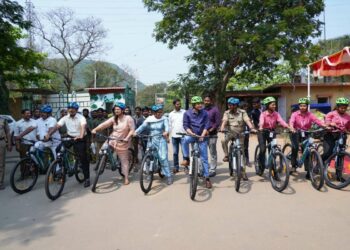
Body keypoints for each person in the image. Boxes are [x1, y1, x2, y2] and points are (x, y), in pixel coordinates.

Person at [47, 102, 91, 187]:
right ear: (68, 109)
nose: (71, 110)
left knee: (83, 157)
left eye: (73, 108)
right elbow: (57, 126)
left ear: (76, 110)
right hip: (70, 137)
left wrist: (81, 135)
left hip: (80, 138)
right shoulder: (64, 118)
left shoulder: (81, 117)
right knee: (58, 149)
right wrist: (49, 134)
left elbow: (83, 126)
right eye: (69, 108)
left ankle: (87, 178)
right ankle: (62, 166)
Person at [92, 102, 135, 185]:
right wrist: (95, 129)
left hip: (123, 141)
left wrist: (127, 138)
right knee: (102, 151)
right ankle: (103, 163)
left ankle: (126, 177)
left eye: (118, 109)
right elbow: (104, 124)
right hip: (112, 139)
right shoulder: (114, 118)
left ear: (122, 110)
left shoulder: (128, 118)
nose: (116, 111)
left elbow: (132, 130)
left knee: (124, 161)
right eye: (115, 109)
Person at [134, 104, 173, 185]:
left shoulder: (164, 119)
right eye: (158, 112)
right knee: (149, 158)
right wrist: (136, 132)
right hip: (151, 139)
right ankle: (149, 173)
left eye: (161, 112)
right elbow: (142, 127)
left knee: (163, 158)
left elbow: (167, 127)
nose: (159, 114)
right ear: (154, 113)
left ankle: (168, 176)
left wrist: (166, 132)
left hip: (161, 139)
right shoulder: (149, 119)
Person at [220, 97, 256, 180]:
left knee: (242, 153)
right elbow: (224, 121)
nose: (229, 106)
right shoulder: (227, 112)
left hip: (240, 134)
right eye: (229, 105)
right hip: (230, 133)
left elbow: (247, 120)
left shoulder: (243, 112)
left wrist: (252, 128)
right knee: (223, 141)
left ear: (236, 105)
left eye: (231, 105)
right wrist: (222, 127)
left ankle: (243, 172)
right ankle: (226, 155)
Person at [289, 98, 326, 177]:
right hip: (295, 132)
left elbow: (317, 121)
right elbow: (291, 122)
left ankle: (308, 171)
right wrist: (292, 128)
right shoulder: (295, 114)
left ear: (307, 106)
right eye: (301, 106)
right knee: (295, 148)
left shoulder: (310, 115)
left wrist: (325, 125)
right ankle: (293, 166)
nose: (302, 107)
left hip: (306, 133)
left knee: (307, 151)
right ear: (299, 106)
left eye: (304, 106)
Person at [181, 96, 212, 189]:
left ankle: (207, 178)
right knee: (184, 140)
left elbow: (207, 124)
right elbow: (185, 125)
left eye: (200, 103)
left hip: (202, 137)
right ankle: (186, 158)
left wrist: (202, 135)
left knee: (204, 159)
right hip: (192, 135)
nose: (200, 105)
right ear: (193, 105)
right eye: (198, 104)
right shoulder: (187, 113)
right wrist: (191, 133)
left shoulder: (205, 113)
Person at [258, 97, 290, 174]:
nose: (274, 106)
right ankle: (260, 166)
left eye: (275, 104)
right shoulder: (263, 114)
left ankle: (273, 170)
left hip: (272, 132)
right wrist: (261, 127)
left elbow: (281, 121)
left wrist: (288, 126)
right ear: (267, 105)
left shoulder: (276, 114)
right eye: (272, 105)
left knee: (273, 150)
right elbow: (261, 122)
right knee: (262, 150)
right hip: (262, 132)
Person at [322, 97, 350, 163]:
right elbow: (326, 122)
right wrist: (330, 124)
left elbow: (348, 127)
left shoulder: (348, 117)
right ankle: (319, 163)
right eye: (341, 107)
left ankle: (338, 171)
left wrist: (347, 130)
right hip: (330, 134)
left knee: (341, 152)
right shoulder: (331, 114)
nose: (343, 109)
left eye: (345, 108)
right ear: (337, 107)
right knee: (328, 152)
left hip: (342, 135)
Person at [203, 95, 221, 177]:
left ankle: (213, 169)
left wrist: (210, 130)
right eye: (205, 100)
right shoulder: (201, 110)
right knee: (203, 153)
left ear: (211, 101)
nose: (206, 102)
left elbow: (217, 122)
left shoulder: (215, 110)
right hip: (202, 135)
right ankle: (203, 169)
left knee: (212, 152)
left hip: (212, 134)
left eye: (208, 100)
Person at [168, 98, 186, 173]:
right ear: (174, 105)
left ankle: (186, 167)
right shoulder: (171, 114)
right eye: (177, 104)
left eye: (179, 104)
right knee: (175, 153)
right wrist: (168, 136)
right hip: (174, 136)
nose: (179, 105)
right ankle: (176, 167)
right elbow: (169, 126)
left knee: (185, 152)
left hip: (183, 136)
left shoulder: (184, 112)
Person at [0, 116, 12, 190]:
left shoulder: (3, 120)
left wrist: (9, 143)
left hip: (1, 142)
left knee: (1, 164)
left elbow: (7, 132)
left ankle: (0, 183)